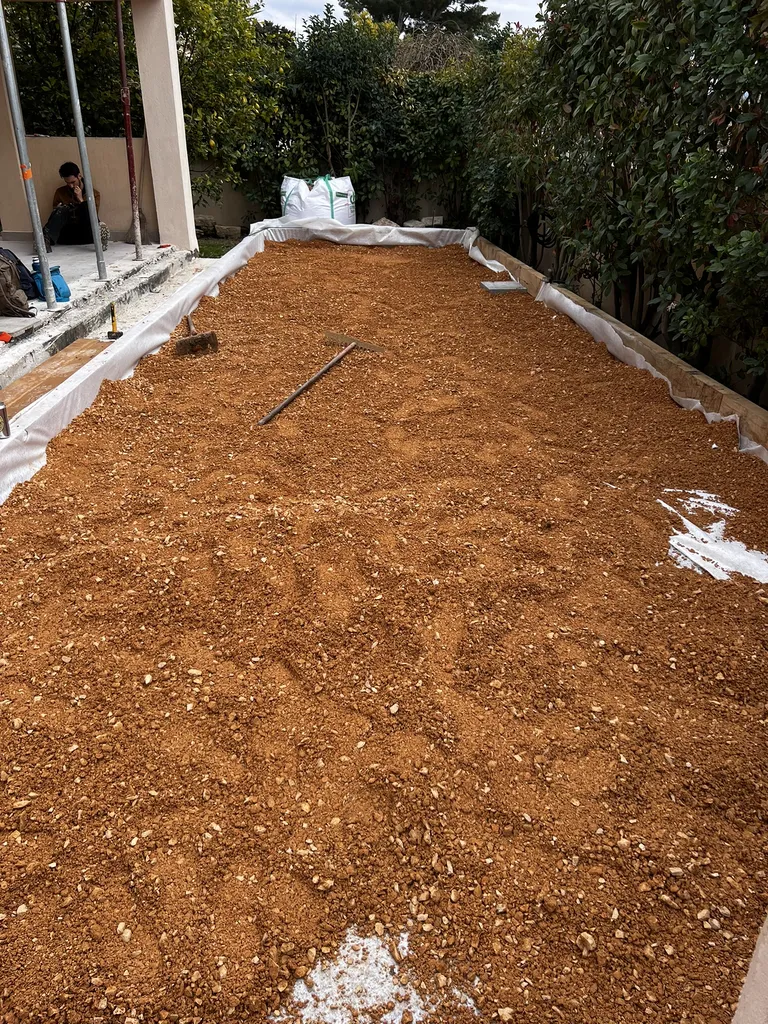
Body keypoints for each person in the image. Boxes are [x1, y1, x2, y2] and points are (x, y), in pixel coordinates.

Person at [43, 162, 110, 252]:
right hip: (67, 236)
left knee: (88, 207)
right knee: (61, 210)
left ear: (79, 176)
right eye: (67, 183)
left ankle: (100, 239)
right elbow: (55, 214)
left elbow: (93, 215)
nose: (71, 185)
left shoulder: (93, 194)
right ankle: (44, 240)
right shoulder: (60, 192)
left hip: (87, 235)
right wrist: (63, 209)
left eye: (73, 182)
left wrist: (81, 200)